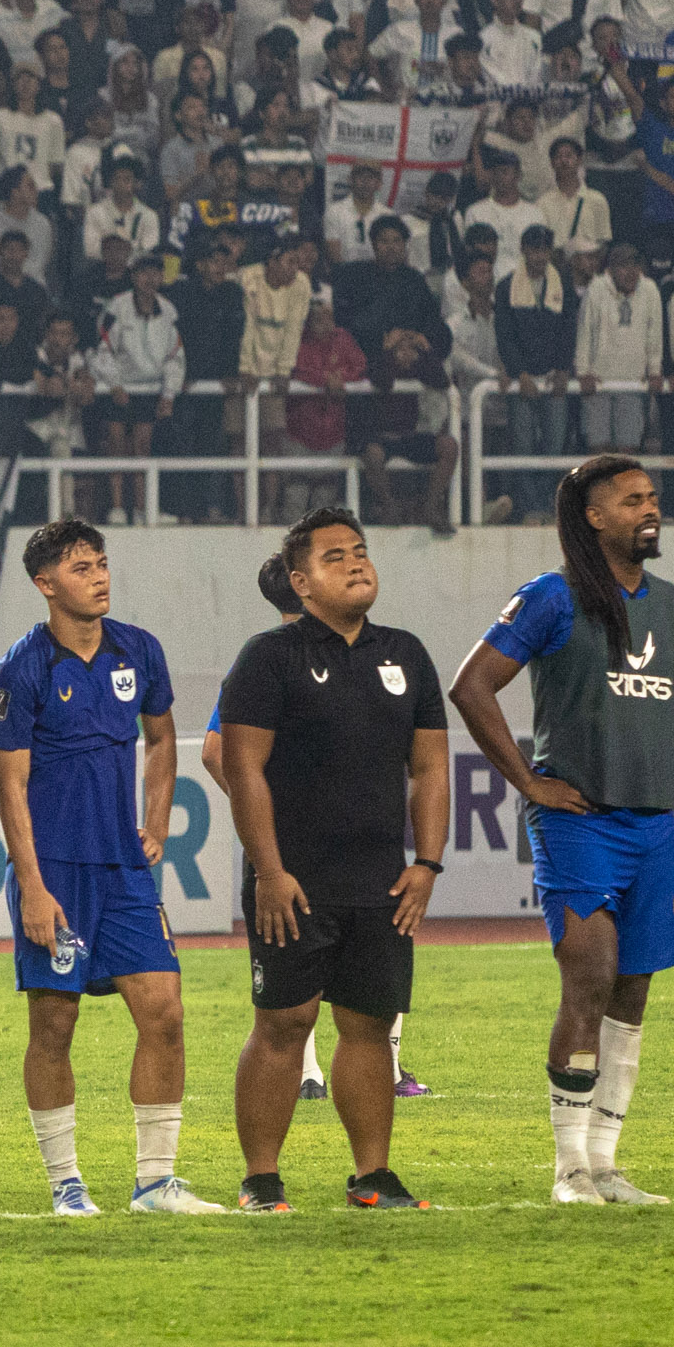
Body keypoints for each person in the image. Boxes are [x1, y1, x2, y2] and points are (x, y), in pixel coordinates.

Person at [449, 454, 674, 1205]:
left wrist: (672, 779)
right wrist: (529, 782)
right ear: (593, 518)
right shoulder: (551, 597)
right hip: (579, 820)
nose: (649, 509)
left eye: (652, 497)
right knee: (589, 975)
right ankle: (569, 1169)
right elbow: (471, 684)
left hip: (650, 824)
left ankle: (607, 1165)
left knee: (633, 992)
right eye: (631, 500)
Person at [215, 505, 447, 1213]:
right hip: (294, 880)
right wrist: (269, 870)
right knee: (284, 1023)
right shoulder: (268, 657)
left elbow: (431, 769)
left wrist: (427, 863)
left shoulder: (406, 654)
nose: (355, 563)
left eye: (360, 550)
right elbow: (243, 768)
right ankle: (261, 1179)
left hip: (382, 880)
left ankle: (372, 1175)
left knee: (370, 1025)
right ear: (301, 581)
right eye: (335, 556)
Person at [0, 517, 217, 1217]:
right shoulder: (21, 669)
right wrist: (32, 885)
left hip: (124, 870)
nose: (99, 577)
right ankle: (66, 1184)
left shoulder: (139, 650)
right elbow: (10, 785)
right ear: (45, 583)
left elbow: (162, 737)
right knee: (54, 1027)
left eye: (102, 563)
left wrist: (158, 820)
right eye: (81, 568)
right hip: (54, 872)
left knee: (165, 1013)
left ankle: (155, 1183)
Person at [199, 551, 426, 1101]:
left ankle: (314, 1073)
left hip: (324, 851)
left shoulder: (263, 657)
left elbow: (212, 752)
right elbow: (217, 753)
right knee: (345, 977)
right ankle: (379, 1068)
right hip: (336, 853)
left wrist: (268, 813)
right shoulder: (289, 659)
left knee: (305, 982)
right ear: (303, 586)